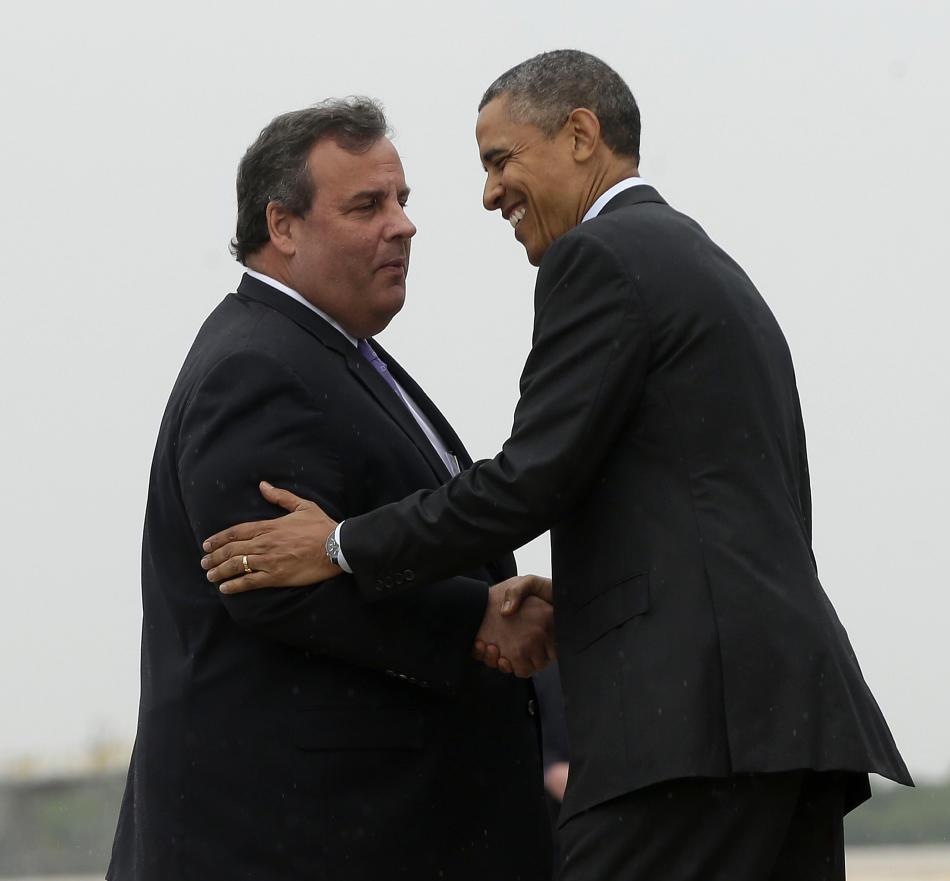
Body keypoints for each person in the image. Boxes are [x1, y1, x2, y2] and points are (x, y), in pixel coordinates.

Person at [200, 53, 913, 880]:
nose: (489, 193)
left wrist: (337, 545)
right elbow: (712, 510)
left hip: (688, 736)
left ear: (581, 136)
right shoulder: (701, 262)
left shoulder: (599, 257)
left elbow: (529, 480)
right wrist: (582, 602)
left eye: (501, 160)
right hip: (781, 726)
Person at [108, 97, 555, 881]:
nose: (403, 225)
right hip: (298, 841)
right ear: (282, 226)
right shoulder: (259, 366)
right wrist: (473, 618)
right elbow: (266, 585)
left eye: (403, 201)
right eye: (366, 206)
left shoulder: (329, 354)